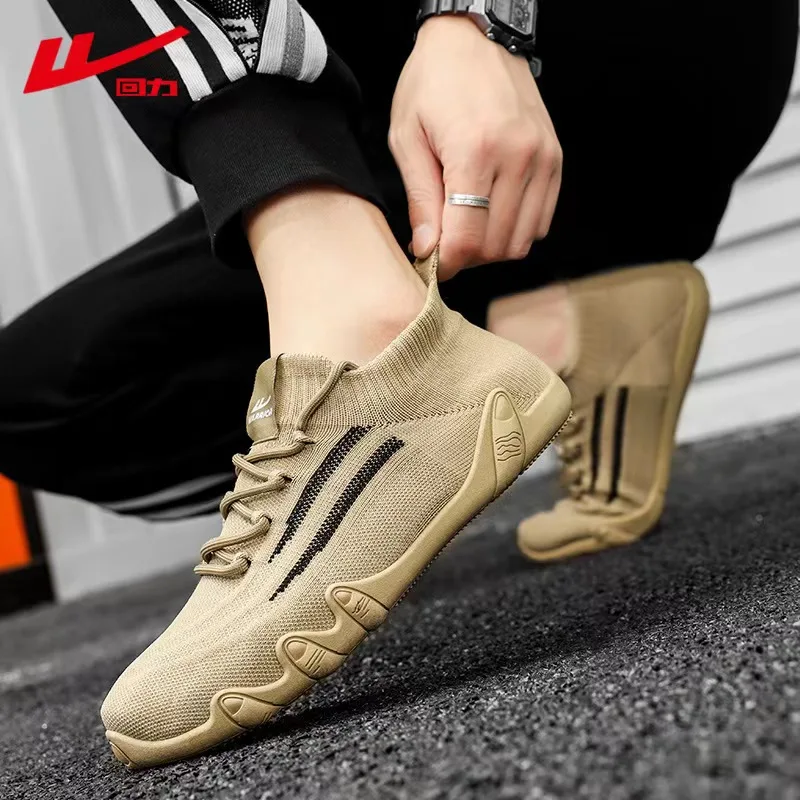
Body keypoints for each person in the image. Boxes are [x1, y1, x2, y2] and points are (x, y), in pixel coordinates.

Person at [0, 0, 795, 766]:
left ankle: (362, 342)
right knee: (33, 400)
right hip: (448, 160)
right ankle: (548, 328)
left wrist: (478, 19)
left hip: (630, 42)